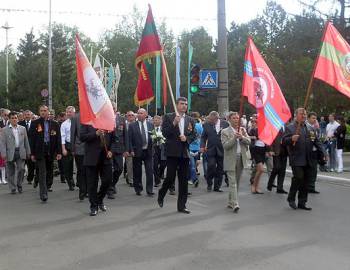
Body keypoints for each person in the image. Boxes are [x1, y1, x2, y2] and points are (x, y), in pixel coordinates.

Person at [158, 97, 196, 214]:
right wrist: (174, 123)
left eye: (186, 104)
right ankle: (162, 193)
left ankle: (182, 206)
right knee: (169, 177)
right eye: (182, 104)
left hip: (184, 153)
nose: (184, 106)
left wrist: (187, 139)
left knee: (183, 181)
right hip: (172, 152)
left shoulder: (190, 119)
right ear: (176, 104)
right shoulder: (169, 117)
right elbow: (164, 133)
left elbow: (194, 134)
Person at [283, 108, 326, 211]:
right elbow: (284, 141)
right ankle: (291, 198)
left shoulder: (310, 128)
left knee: (305, 181)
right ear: (296, 115)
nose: (304, 116)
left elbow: (316, 141)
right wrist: (291, 139)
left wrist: (324, 153)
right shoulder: (290, 127)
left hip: (308, 158)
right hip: (296, 158)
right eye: (302, 114)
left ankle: (302, 202)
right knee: (298, 177)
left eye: (305, 114)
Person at [28, 105, 62, 202]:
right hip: (39, 151)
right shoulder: (35, 123)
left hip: (50, 150)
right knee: (42, 171)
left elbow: (58, 139)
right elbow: (31, 139)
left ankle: (47, 185)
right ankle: (43, 194)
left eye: (45, 110)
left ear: (48, 112)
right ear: (39, 112)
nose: (43, 112)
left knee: (49, 170)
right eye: (41, 111)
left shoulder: (55, 124)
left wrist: (59, 152)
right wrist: (32, 153)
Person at [80, 125, 114, 216]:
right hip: (91, 157)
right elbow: (82, 137)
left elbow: (115, 139)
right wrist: (95, 133)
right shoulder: (87, 122)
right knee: (92, 184)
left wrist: (111, 151)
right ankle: (94, 206)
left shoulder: (108, 120)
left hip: (106, 157)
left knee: (107, 180)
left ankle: (99, 199)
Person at [221, 112, 250, 213]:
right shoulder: (224, 131)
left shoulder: (242, 130)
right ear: (229, 119)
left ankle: (230, 201)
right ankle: (235, 203)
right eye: (234, 118)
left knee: (236, 182)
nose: (236, 120)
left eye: (238, 118)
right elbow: (226, 146)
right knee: (232, 182)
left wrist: (242, 137)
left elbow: (249, 141)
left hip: (241, 158)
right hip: (230, 160)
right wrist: (234, 138)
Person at [0, 111, 31, 194]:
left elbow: (26, 141)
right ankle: (12, 187)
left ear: (17, 119)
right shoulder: (4, 130)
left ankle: (19, 184)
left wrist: (28, 152)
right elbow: (2, 143)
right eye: (12, 118)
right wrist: (3, 154)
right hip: (9, 152)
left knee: (21, 169)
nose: (14, 119)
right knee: (10, 171)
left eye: (15, 118)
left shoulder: (22, 128)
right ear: (9, 119)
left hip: (20, 151)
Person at [200, 111, 229, 192]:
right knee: (211, 166)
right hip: (211, 149)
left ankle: (217, 186)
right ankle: (209, 182)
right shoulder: (206, 124)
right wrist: (202, 146)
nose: (210, 121)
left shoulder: (225, 124)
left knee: (220, 169)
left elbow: (229, 134)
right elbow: (203, 137)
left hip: (222, 149)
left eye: (211, 120)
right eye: (209, 119)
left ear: (216, 118)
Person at [128, 108, 154, 196]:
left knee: (149, 171)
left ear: (146, 114)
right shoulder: (132, 126)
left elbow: (154, 137)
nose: (139, 115)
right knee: (137, 171)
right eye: (138, 113)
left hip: (148, 151)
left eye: (141, 113)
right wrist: (131, 150)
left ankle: (149, 189)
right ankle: (138, 188)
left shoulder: (151, 125)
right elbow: (129, 140)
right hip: (137, 151)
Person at [107, 105, 128, 199]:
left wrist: (126, 149)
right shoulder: (105, 118)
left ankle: (112, 184)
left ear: (116, 109)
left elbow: (125, 134)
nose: (113, 110)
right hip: (109, 148)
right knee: (109, 170)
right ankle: (109, 189)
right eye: (111, 108)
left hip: (119, 148)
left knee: (119, 168)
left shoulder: (121, 119)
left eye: (114, 108)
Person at [70, 112, 87, 201]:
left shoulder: (93, 114)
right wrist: (72, 149)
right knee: (81, 170)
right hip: (79, 148)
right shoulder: (75, 117)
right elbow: (73, 133)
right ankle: (82, 191)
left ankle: (88, 190)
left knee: (89, 170)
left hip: (90, 148)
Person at [267, 127, 288, 194]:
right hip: (276, 150)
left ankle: (280, 188)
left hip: (285, 151)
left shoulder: (288, 127)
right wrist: (270, 150)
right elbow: (270, 139)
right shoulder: (275, 126)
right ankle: (270, 183)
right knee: (277, 167)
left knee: (282, 170)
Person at [248, 118, 266, 194]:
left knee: (259, 170)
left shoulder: (266, 129)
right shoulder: (254, 129)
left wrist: (268, 150)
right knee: (261, 169)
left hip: (263, 150)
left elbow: (267, 140)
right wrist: (255, 137)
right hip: (256, 150)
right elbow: (251, 137)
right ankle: (253, 186)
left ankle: (256, 187)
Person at [18, 110, 36, 185]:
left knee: (31, 165)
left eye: (28, 114)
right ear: (23, 116)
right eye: (26, 115)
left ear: (31, 116)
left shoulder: (35, 124)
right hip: (22, 147)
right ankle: (20, 179)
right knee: (21, 166)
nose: (27, 116)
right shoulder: (20, 124)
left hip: (32, 147)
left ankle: (30, 178)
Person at [60, 106, 76, 191]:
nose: (69, 113)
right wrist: (63, 149)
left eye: (70, 112)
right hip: (67, 145)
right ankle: (70, 182)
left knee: (80, 166)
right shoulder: (64, 124)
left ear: (74, 112)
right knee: (67, 167)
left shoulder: (78, 122)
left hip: (77, 145)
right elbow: (62, 137)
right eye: (67, 112)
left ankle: (80, 182)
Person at [306, 112, 321, 194]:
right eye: (313, 118)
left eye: (315, 118)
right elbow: (312, 140)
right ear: (308, 118)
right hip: (309, 151)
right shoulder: (306, 127)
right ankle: (306, 186)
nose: (314, 120)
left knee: (314, 170)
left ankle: (311, 187)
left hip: (315, 151)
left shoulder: (315, 128)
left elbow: (317, 139)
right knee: (308, 170)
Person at [188, 112, 203, 187]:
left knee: (192, 165)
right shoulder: (200, 126)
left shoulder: (189, 126)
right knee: (194, 164)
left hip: (190, 147)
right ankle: (191, 178)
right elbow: (202, 136)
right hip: (197, 147)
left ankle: (193, 179)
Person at [152, 115, 166, 188]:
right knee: (155, 165)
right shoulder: (151, 129)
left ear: (161, 121)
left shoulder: (163, 129)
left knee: (163, 164)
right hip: (154, 149)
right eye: (155, 120)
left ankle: (160, 174)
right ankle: (157, 181)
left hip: (162, 149)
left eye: (158, 120)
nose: (156, 121)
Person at [124, 111, 135, 187]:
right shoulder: (124, 125)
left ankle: (129, 176)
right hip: (126, 148)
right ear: (126, 116)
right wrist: (125, 150)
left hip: (135, 148)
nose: (130, 116)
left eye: (132, 115)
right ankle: (131, 180)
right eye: (129, 115)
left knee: (135, 165)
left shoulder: (137, 125)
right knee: (129, 164)